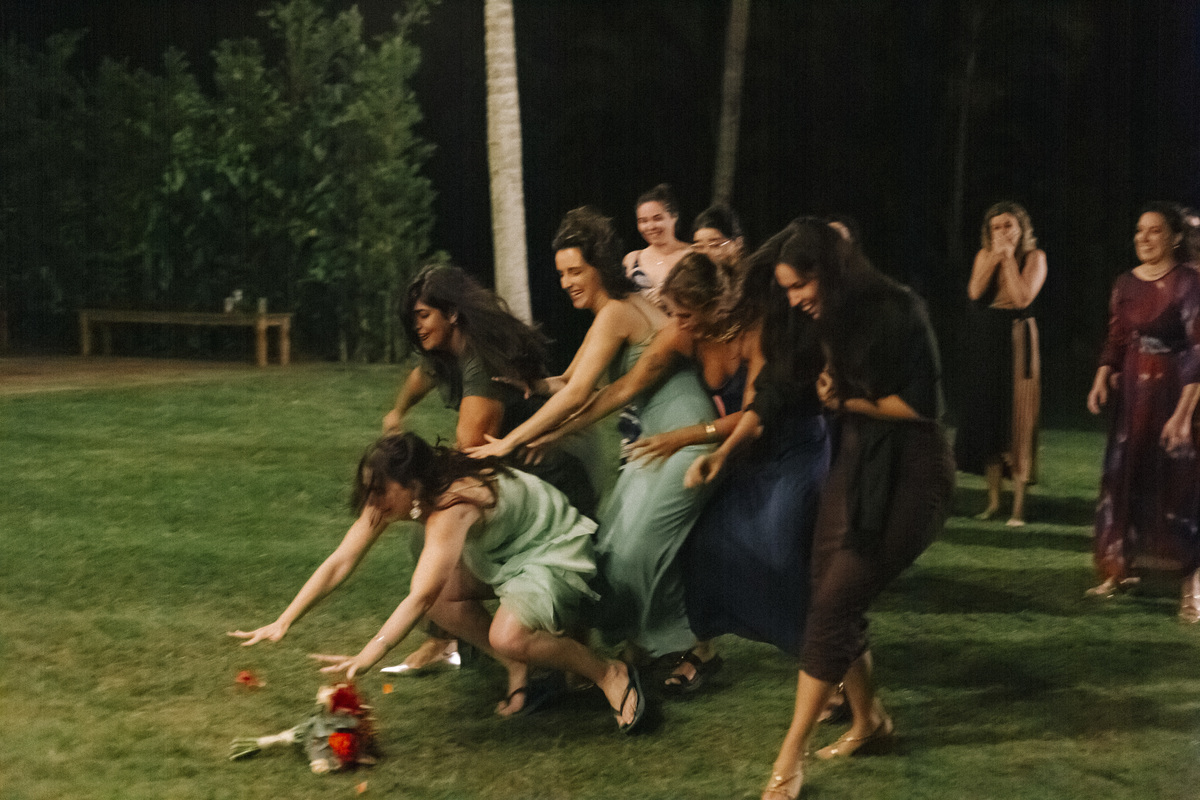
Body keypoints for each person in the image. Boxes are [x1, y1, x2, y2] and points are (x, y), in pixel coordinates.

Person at [687, 218, 954, 800]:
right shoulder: (816, 322)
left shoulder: (897, 310)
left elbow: (922, 407)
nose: (793, 299)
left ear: (831, 271)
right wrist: (724, 452)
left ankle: (788, 760)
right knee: (824, 589)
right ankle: (870, 722)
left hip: (911, 473)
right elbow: (777, 389)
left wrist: (847, 399)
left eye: (800, 286)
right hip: (856, 460)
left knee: (836, 602)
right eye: (785, 289)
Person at [229, 433, 645, 731]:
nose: (373, 502)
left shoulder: (453, 504)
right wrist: (284, 620)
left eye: (380, 492)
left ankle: (607, 673)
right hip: (503, 553)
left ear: (411, 485)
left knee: (502, 632)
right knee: (447, 601)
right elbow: (341, 561)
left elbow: (420, 595)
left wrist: (367, 656)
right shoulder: (404, 493)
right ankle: (518, 664)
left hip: (548, 548)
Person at [468, 206, 719, 663]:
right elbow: (568, 381)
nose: (566, 282)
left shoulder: (617, 313)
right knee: (612, 547)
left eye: (575, 271)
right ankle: (647, 645)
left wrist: (511, 441)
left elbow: (580, 392)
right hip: (654, 441)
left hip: (686, 435)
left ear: (599, 267)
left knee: (636, 548)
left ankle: (688, 648)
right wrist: (529, 385)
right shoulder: (613, 311)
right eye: (561, 273)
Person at [379, 264, 598, 675]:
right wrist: (397, 411)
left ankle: (578, 657)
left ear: (452, 314)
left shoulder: (481, 360)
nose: (418, 326)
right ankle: (462, 644)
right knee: (427, 536)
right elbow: (421, 376)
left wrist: (421, 473)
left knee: (559, 576)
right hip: (511, 468)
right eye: (414, 318)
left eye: (424, 316)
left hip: (553, 467)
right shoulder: (443, 353)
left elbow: (470, 445)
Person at [1086, 202, 1200, 620]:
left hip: (1178, 388)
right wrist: (1103, 375)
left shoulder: (1189, 282)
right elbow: (1117, 336)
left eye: (1154, 231)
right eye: (1139, 230)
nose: (1144, 238)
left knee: (1181, 486)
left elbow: (1198, 349)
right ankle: (1118, 567)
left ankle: (1192, 581)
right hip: (1134, 393)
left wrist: (1183, 414)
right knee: (1126, 475)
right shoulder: (1125, 283)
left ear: (1174, 237)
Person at [953, 202, 1047, 526]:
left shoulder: (1035, 258)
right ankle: (993, 502)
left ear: (1022, 228)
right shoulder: (984, 255)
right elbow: (975, 291)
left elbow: (1022, 298)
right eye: (996, 227)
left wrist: (1008, 259)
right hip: (988, 336)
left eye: (1008, 225)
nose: (1002, 232)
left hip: (1019, 335)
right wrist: (995, 257)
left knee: (1018, 417)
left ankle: (1018, 508)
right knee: (989, 417)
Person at [623, 183, 692, 307]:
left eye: (657, 218)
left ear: (674, 216)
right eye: (643, 221)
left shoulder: (693, 254)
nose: (650, 227)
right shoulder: (632, 259)